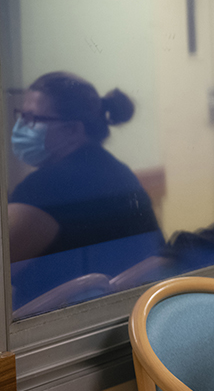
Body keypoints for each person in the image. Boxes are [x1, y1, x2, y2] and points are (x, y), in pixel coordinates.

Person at [8, 72, 162, 309]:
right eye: (21, 115)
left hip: (61, 334)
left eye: (31, 118)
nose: (20, 127)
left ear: (72, 130)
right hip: (125, 317)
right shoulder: (115, 171)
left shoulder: (46, 188)